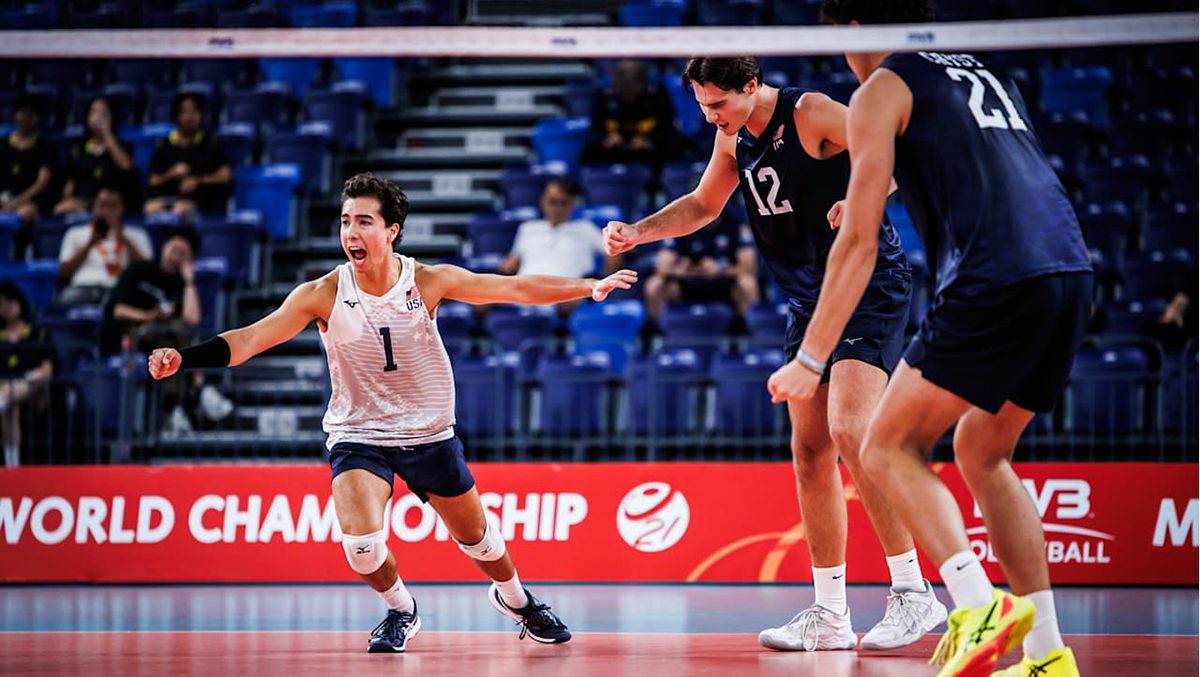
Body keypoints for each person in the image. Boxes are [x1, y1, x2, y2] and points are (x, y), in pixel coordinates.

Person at [148, 173, 638, 653]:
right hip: (358, 432)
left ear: (391, 231)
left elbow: (514, 288)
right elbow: (250, 340)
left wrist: (588, 285)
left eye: (364, 222)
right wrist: (184, 357)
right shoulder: (322, 292)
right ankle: (401, 610)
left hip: (428, 433)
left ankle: (518, 601)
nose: (351, 233)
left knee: (481, 542)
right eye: (345, 222)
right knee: (360, 546)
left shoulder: (426, 281)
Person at [772, 2, 1094, 676]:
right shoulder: (977, 70)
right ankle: (1047, 654)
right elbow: (971, 157)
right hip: (1068, 269)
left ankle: (977, 607)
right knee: (983, 447)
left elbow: (857, 244)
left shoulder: (878, 88)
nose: (841, 59)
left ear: (856, 27)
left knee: (884, 442)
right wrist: (886, 184)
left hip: (994, 274)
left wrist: (810, 357)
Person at [603, 57, 946, 652]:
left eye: (718, 103)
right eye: (702, 104)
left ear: (752, 86)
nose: (709, 115)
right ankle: (831, 613)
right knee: (810, 450)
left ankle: (913, 592)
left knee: (851, 428)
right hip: (807, 298)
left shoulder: (809, 112)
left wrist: (864, 199)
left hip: (866, 282)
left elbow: (895, 152)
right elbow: (705, 205)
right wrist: (640, 230)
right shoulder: (732, 135)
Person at [499, 178, 614, 313]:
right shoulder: (528, 228)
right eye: (552, 202)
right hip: (524, 292)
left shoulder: (585, 229)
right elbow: (511, 263)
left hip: (564, 295)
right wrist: (507, 266)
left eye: (563, 203)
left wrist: (605, 281)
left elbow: (613, 251)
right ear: (543, 202)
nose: (557, 208)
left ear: (571, 204)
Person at [643, 205, 759, 322]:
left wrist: (720, 269)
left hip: (722, 282)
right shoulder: (679, 225)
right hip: (686, 283)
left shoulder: (736, 225)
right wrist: (680, 270)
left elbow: (748, 268)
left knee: (747, 283)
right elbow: (662, 267)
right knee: (655, 284)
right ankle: (657, 331)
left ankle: (746, 330)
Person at [57, 186, 152, 307]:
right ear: (94, 207)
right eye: (102, 205)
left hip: (120, 289)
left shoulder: (137, 234)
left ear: (121, 208)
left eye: (113, 205)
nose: (107, 211)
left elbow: (146, 271)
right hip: (84, 287)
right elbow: (64, 271)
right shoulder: (75, 233)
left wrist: (125, 240)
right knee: (64, 300)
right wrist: (90, 244)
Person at [581, 59, 681, 169]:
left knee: (674, 149)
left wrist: (649, 142)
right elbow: (594, 130)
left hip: (647, 153)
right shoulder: (604, 95)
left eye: (631, 88)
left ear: (643, 85)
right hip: (614, 151)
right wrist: (606, 139)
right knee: (588, 152)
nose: (626, 93)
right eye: (622, 87)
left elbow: (668, 129)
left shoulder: (657, 95)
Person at [144, 93, 231, 217]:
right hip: (168, 197)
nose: (189, 117)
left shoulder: (212, 142)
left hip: (201, 200)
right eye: (184, 111)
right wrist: (170, 174)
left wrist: (197, 181)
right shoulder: (163, 144)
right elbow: (153, 180)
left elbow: (225, 175)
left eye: (194, 111)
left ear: (201, 115)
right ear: (177, 115)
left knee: (181, 210)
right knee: (151, 208)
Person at [0, 281, 54, 467]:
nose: (5, 308)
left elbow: (47, 370)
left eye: (9, 302)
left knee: (15, 390)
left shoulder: (37, 334)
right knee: (10, 406)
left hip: (35, 390)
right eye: (1, 304)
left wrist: (23, 380)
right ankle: (12, 465)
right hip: (6, 389)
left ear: (19, 302)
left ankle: (4, 397)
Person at [54, 97, 135, 216]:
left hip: (110, 202)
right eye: (94, 112)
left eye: (103, 113)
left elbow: (126, 166)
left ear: (111, 117)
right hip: (82, 202)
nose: (98, 117)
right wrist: (69, 199)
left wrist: (106, 133)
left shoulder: (122, 145)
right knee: (60, 209)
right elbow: (70, 182)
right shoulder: (78, 148)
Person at [0, 94, 55, 259]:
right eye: (23, 112)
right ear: (15, 114)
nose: (26, 117)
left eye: (31, 113)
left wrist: (18, 201)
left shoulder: (44, 146)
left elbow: (42, 181)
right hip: (3, 198)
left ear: (37, 118)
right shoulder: (2, 145)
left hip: (31, 201)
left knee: (24, 213)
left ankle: (14, 254)